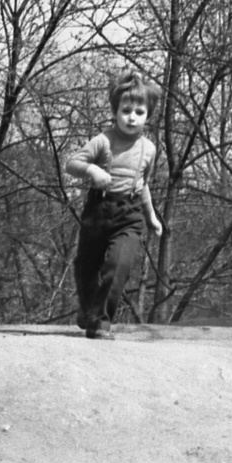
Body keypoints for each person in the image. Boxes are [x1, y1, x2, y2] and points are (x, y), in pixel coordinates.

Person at [64, 69, 162, 340]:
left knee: (119, 265)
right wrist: (92, 172)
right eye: (126, 110)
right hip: (99, 210)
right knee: (86, 267)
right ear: (116, 111)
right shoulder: (103, 141)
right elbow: (72, 163)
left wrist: (151, 217)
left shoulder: (149, 149)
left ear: (148, 116)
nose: (132, 117)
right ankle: (88, 309)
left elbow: (143, 186)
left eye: (139, 112)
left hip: (129, 214)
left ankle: (101, 322)